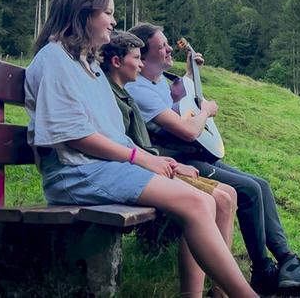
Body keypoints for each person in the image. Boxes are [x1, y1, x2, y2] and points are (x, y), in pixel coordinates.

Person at [24, 0, 256, 298]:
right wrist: (141, 158)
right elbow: (75, 136)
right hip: (75, 174)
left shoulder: (86, 65)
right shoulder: (54, 60)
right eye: (107, 13)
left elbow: (113, 133)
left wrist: (155, 159)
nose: (114, 21)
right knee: (196, 201)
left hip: (101, 168)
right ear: (83, 15)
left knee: (203, 199)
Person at [125, 23, 300, 295]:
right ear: (144, 53)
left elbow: (182, 107)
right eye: (161, 45)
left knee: (262, 185)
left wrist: (190, 73)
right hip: (175, 159)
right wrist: (207, 111)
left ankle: (287, 261)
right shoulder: (140, 89)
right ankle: (262, 271)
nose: (167, 49)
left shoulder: (160, 83)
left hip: (192, 155)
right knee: (247, 190)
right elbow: (188, 130)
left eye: (167, 44)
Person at [99, 30, 239, 297]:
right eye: (137, 58)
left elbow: (137, 143)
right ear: (117, 61)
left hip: (151, 162)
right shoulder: (122, 94)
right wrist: (169, 163)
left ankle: (220, 291)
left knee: (228, 194)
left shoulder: (125, 92)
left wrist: (169, 162)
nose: (140, 65)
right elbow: (129, 147)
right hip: (136, 169)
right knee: (210, 201)